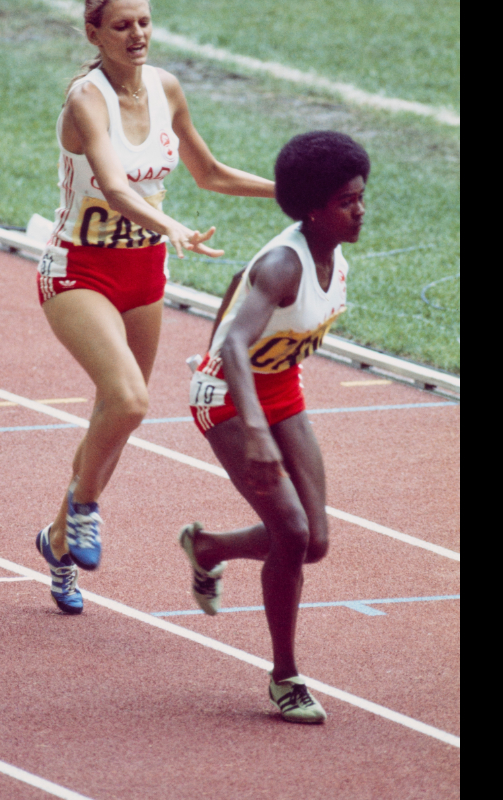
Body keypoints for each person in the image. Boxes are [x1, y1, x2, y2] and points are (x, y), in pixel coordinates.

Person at [33, 0, 275, 615]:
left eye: (143, 21)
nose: (137, 33)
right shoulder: (86, 99)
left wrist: (290, 191)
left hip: (143, 274)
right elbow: (114, 187)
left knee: (116, 416)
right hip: (79, 270)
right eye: (121, 25)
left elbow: (209, 172)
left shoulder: (166, 87)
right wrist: (169, 224)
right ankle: (84, 509)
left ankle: (58, 541)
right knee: (130, 400)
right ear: (94, 33)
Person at [182, 130, 370, 724]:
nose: (360, 210)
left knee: (314, 542)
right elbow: (235, 343)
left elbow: (237, 284)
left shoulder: (333, 256)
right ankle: (285, 677)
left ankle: (208, 547)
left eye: (361, 197)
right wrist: (256, 430)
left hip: (282, 388)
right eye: (346, 201)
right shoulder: (284, 263)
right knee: (289, 531)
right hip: (227, 396)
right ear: (311, 208)